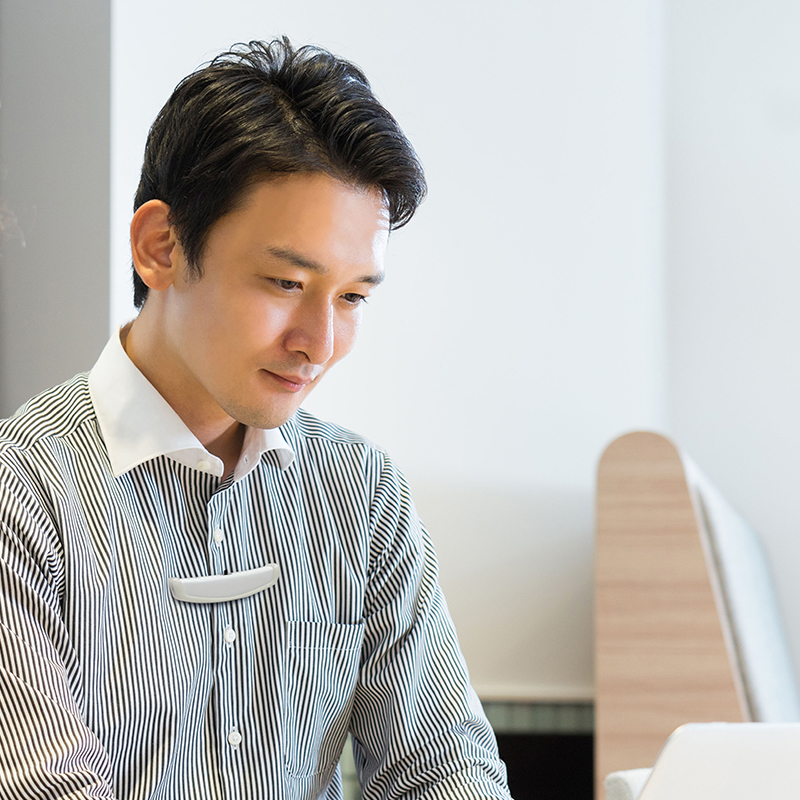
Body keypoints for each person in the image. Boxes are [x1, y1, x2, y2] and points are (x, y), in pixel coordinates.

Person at [0, 39, 512, 800]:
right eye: (285, 282)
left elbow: (441, 769)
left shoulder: (362, 495)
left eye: (353, 297)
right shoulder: (22, 494)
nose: (320, 344)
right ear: (160, 247)